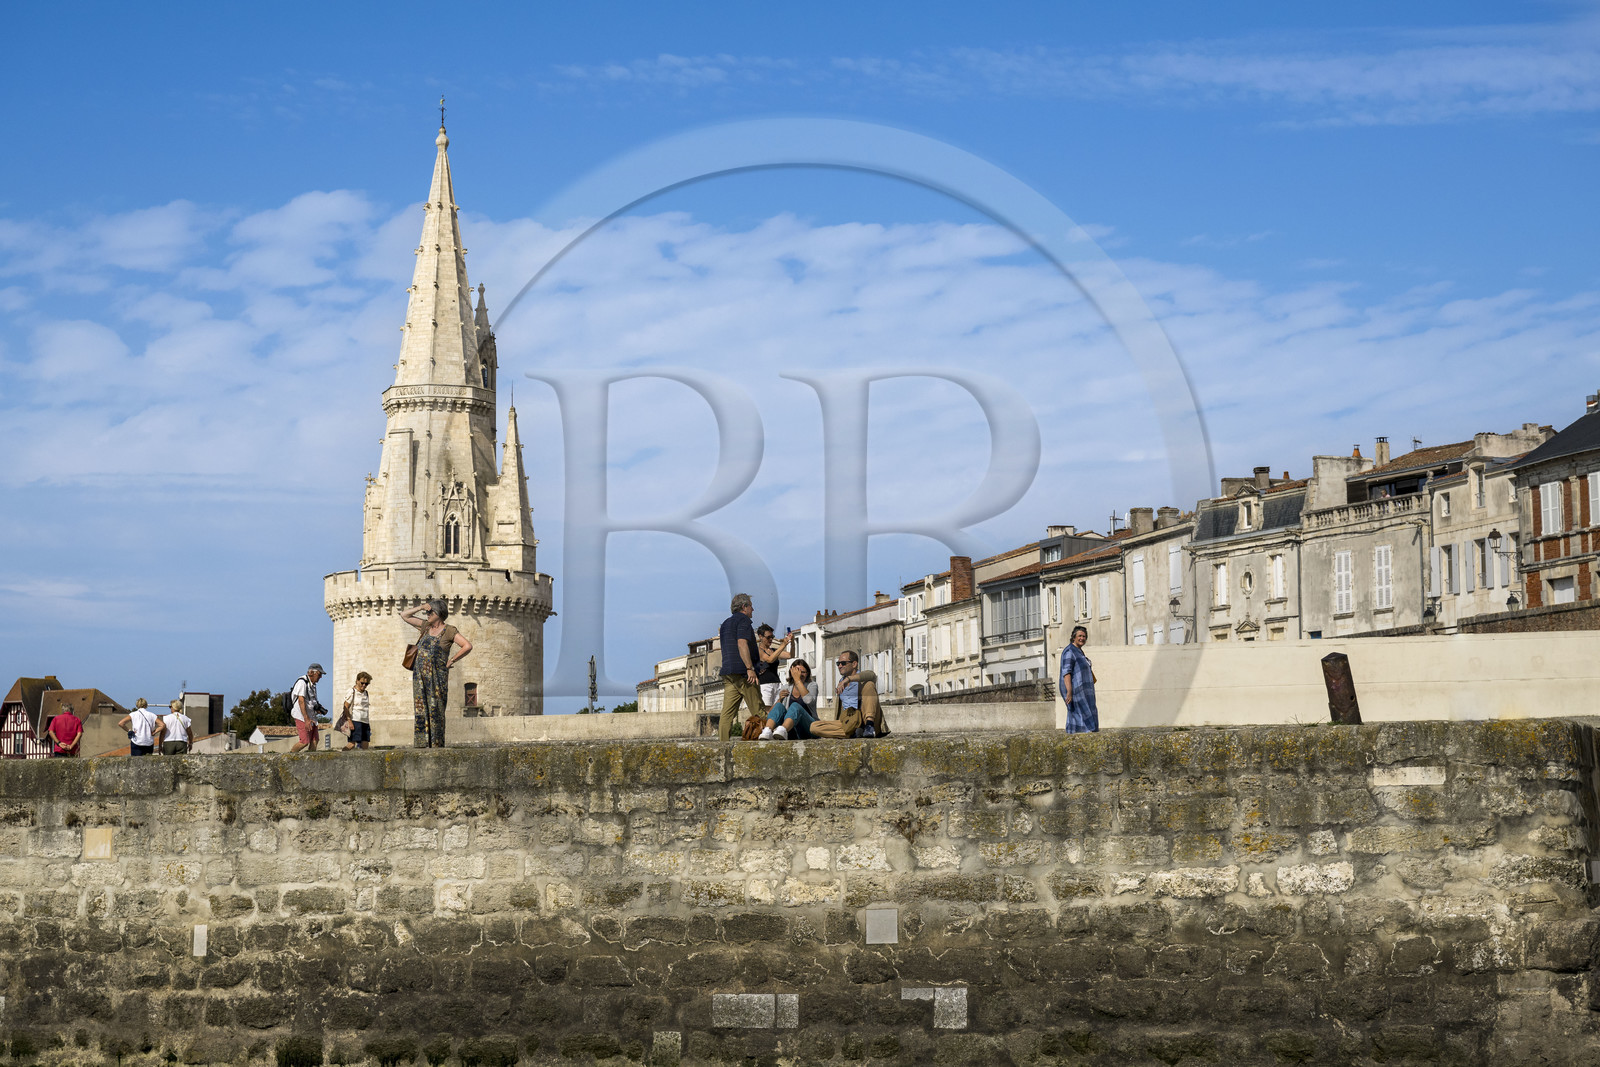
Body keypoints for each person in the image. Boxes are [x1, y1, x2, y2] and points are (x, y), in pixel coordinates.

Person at [403, 600, 472, 748]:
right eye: (427, 612)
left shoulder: (449, 631)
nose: (427, 614)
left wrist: (452, 660)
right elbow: (405, 615)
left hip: (437, 678)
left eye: (430, 612)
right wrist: (421, 606)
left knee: (436, 709)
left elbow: (467, 646)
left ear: (439, 614)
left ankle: (436, 744)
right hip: (420, 677)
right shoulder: (425, 626)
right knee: (421, 708)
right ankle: (421, 744)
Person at [717, 593, 765, 742]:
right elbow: (742, 643)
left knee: (727, 715)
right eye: (751, 605)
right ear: (744, 607)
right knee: (759, 711)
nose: (753, 609)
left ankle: (722, 746)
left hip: (729, 673)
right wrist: (750, 668)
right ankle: (769, 743)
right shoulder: (744, 621)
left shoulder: (725, 624)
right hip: (743, 673)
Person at [833, 650, 887, 738]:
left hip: (864, 720)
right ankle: (851, 732)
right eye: (838, 663)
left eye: (843, 663)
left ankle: (869, 726)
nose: (839, 666)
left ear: (854, 664)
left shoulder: (863, 679)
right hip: (848, 721)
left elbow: (872, 674)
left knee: (869, 684)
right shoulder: (840, 683)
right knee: (815, 727)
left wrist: (849, 679)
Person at [759, 659, 817, 740]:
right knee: (779, 705)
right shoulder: (786, 687)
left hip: (809, 728)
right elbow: (771, 713)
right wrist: (780, 699)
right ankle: (767, 731)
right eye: (796, 671)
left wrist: (797, 680)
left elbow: (808, 700)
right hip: (792, 730)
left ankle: (783, 729)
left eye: (802, 672)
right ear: (791, 673)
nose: (799, 674)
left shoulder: (812, 685)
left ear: (807, 674)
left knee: (795, 706)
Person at [1060, 625, 1099, 733]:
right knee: (1079, 716)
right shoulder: (1070, 651)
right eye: (1080, 636)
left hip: (1085, 692)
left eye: (1084, 636)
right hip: (1076, 693)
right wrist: (1069, 691)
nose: (1082, 638)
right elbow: (1066, 672)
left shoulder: (1079, 651)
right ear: (1074, 637)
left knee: (1088, 714)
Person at [754, 624, 796, 709]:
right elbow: (769, 659)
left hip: (777, 683)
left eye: (772, 637)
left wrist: (792, 643)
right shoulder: (758, 651)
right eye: (768, 637)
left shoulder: (773, 650)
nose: (771, 639)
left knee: (778, 708)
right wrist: (783, 645)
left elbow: (790, 655)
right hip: (765, 685)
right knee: (767, 711)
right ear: (760, 637)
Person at [287, 664, 326, 754]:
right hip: (301, 716)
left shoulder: (313, 685)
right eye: (319, 674)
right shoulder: (302, 682)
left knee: (315, 740)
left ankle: (311, 761)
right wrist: (306, 719)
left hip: (311, 716)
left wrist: (318, 709)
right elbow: (301, 701)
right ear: (312, 673)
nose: (320, 677)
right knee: (304, 741)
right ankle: (290, 757)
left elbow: (311, 701)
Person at [341, 671, 373, 751]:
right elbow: (346, 707)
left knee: (365, 744)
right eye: (362, 683)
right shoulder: (352, 691)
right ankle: (341, 757)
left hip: (365, 721)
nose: (364, 685)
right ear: (357, 681)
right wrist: (350, 721)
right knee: (351, 744)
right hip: (355, 720)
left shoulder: (366, 693)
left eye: (366, 684)